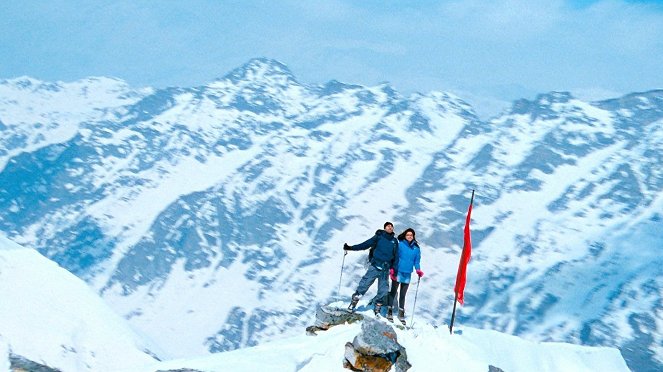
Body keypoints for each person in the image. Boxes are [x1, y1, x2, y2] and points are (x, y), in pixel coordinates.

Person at [343, 221, 399, 315]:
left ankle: (377, 308)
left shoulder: (394, 241)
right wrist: (351, 248)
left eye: (391, 226)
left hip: (385, 270)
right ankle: (353, 303)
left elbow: (396, 256)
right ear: (384, 228)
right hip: (374, 266)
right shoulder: (379, 237)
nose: (390, 227)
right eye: (388, 226)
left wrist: (394, 269)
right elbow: (365, 244)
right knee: (364, 285)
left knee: (383, 290)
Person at [387, 228, 424, 325]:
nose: (409, 236)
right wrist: (392, 269)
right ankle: (389, 311)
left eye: (411, 235)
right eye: (408, 235)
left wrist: (418, 270)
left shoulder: (416, 248)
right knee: (394, 291)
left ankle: (401, 313)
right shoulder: (400, 245)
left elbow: (416, 261)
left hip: (407, 273)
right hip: (398, 271)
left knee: (403, 294)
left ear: (413, 236)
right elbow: (394, 257)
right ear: (405, 235)